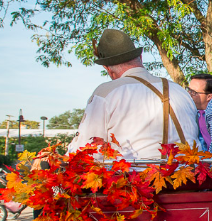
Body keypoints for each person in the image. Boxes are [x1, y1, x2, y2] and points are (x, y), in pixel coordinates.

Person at [69, 29, 198, 159]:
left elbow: (86, 148)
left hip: (133, 176)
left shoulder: (106, 92)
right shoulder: (180, 91)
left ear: (108, 68)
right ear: (140, 58)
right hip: (190, 174)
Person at [188, 73, 212, 151]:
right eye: (188, 90)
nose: (188, 94)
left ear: (209, 96)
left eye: (193, 92)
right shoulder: (183, 113)